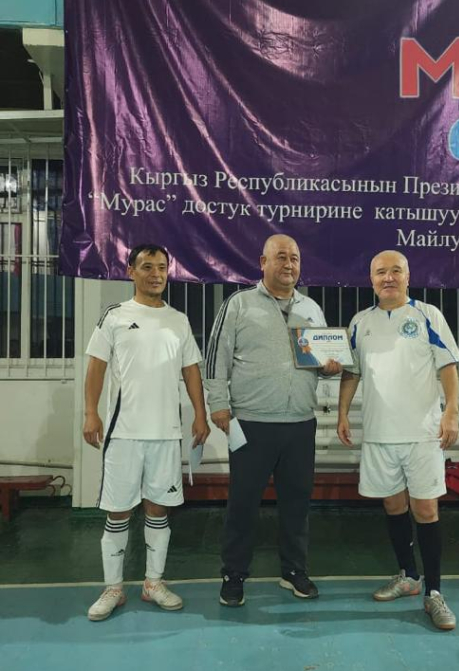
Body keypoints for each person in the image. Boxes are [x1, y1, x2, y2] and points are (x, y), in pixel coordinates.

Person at [205, 234, 341, 607]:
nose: (289, 264)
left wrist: (330, 367)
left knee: (297, 503)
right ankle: (234, 575)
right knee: (243, 503)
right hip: (250, 423)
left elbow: (320, 361)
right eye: (281, 257)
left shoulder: (311, 308)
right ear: (262, 262)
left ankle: (294, 571)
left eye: (294, 258)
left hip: (300, 423)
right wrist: (218, 404)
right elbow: (216, 357)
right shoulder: (238, 304)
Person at [83, 244, 210, 621]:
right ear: (130, 271)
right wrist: (91, 413)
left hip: (166, 435)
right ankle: (113, 588)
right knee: (118, 511)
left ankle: (153, 583)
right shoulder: (115, 316)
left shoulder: (178, 320)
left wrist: (200, 415)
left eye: (162, 267)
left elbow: (191, 371)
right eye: (147, 267)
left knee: (158, 509)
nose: (156, 274)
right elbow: (96, 367)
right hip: (123, 434)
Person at [337, 250, 459, 630]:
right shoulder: (359, 322)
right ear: (371, 279)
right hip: (379, 434)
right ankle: (409, 576)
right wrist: (342, 413)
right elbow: (351, 372)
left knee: (425, 510)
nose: (388, 278)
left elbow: (448, 365)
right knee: (392, 505)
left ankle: (434, 593)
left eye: (395, 271)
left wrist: (451, 412)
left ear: (408, 276)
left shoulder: (427, 315)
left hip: (422, 434)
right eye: (380, 272)